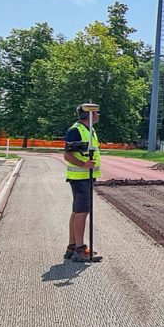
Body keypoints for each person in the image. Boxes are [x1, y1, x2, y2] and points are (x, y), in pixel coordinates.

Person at [63, 104, 101, 262]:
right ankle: (80, 249)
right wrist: (84, 165)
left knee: (76, 212)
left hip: (85, 178)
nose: (98, 114)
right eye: (96, 112)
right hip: (80, 179)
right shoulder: (76, 131)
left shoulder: (88, 130)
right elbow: (67, 155)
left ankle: (72, 247)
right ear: (90, 115)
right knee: (82, 213)